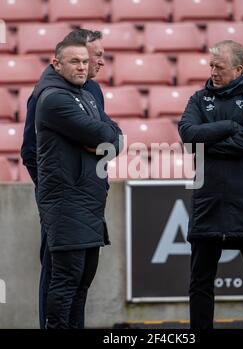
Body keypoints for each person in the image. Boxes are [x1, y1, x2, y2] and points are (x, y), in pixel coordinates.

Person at [21, 30, 122, 329]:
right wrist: (53, 192)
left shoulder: (90, 91)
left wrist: (111, 142)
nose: (97, 62)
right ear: (60, 62)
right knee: (59, 280)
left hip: (88, 201)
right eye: (94, 56)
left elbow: (113, 136)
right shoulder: (47, 96)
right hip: (63, 202)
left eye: (89, 59)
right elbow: (29, 150)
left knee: (79, 283)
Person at [178, 40, 243, 329]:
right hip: (207, 202)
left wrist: (208, 145)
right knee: (200, 282)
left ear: (238, 68)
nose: (212, 71)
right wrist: (229, 127)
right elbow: (188, 134)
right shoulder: (199, 99)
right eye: (210, 65)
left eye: (218, 66)